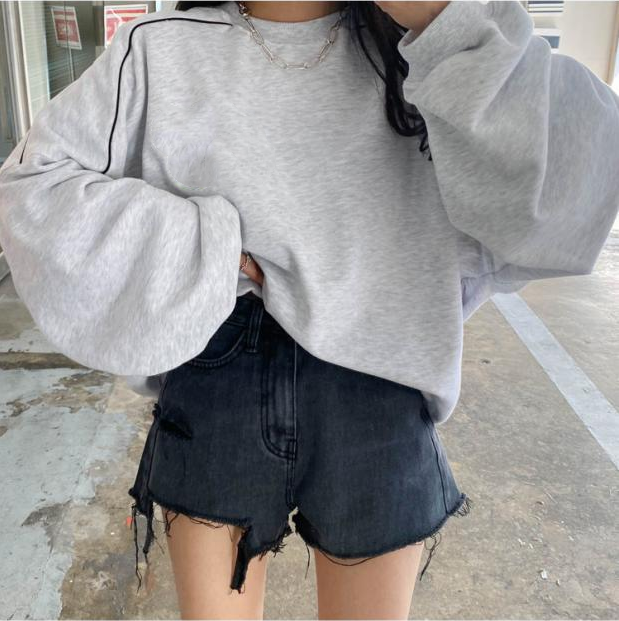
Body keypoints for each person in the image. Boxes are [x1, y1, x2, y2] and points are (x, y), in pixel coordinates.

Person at [0, 0, 617, 618]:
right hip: (223, 374)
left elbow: (579, 183)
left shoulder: (424, 43)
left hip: (380, 376)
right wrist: (206, 247)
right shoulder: (160, 48)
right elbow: (30, 190)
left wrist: (445, 19)